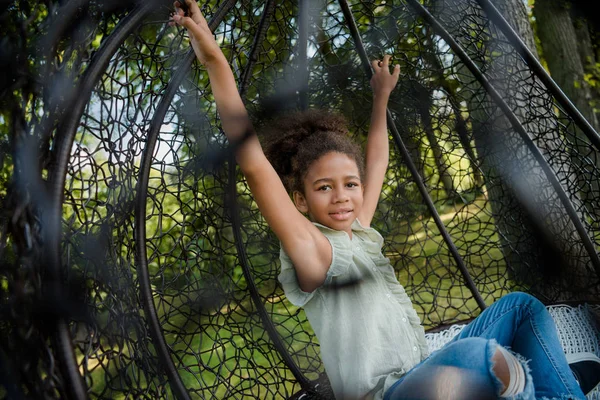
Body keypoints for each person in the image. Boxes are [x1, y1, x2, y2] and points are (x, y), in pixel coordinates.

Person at [170, 1, 600, 399]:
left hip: (424, 368)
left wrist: (380, 99)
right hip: (387, 395)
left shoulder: (360, 231)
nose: (342, 197)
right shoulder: (315, 253)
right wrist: (213, 58)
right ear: (299, 200)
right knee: (480, 359)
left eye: (349, 185)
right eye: (324, 188)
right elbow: (253, 165)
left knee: (521, 308)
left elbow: (375, 161)